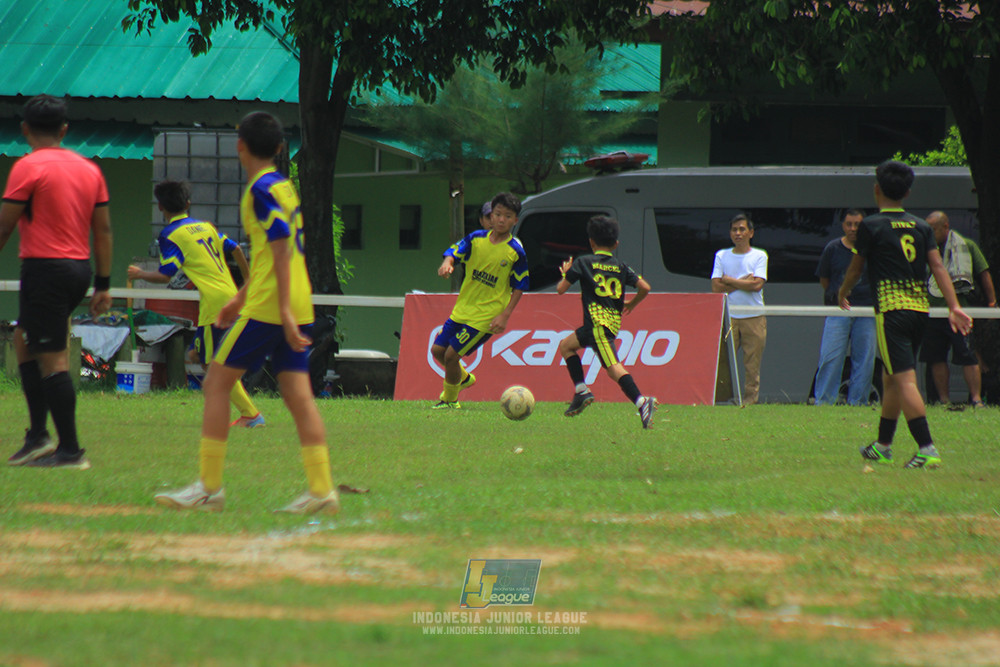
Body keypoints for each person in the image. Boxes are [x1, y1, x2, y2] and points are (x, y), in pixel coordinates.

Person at [155, 111, 338, 514]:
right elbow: (277, 253)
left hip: (272, 308)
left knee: (215, 384)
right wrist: (241, 298)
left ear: (240, 146)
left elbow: (279, 247)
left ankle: (209, 488)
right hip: (296, 303)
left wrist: (279, 310)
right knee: (298, 396)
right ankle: (322, 489)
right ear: (279, 148)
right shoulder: (284, 186)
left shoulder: (259, 189)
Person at [1, 94, 113, 470]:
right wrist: (103, 284)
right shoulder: (89, 170)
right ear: (64, 130)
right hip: (78, 270)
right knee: (24, 339)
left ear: (25, 129)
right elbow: (103, 230)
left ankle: (70, 450)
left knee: (54, 359)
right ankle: (37, 436)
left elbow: (5, 225)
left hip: (45, 270)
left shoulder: (28, 167)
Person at [838, 160, 972, 469]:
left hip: (891, 311)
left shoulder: (872, 226)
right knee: (891, 377)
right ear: (907, 193)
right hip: (919, 310)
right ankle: (883, 445)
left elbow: (856, 269)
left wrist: (842, 292)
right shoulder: (921, 226)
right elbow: (938, 267)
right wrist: (954, 306)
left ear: (876, 190)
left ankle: (927, 448)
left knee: (904, 380)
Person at [127, 180, 264, 427]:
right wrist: (248, 280)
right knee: (198, 354)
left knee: (212, 363)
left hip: (215, 303)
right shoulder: (206, 227)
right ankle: (240, 409)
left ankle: (251, 415)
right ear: (188, 204)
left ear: (161, 207)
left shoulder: (170, 235)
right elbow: (235, 249)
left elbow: (166, 275)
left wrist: (140, 274)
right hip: (229, 296)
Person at [431, 191, 529, 409]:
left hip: (486, 316)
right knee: (437, 351)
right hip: (463, 309)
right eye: (498, 214)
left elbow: (520, 285)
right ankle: (464, 378)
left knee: (451, 355)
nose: (501, 220)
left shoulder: (515, 251)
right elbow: (454, 251)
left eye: (507, 216)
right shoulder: (476, 239)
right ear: (490, 217)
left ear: (515, 220)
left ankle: (449, 400)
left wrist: (505, 315)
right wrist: (447, 263)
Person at [556, 215, 655, 428]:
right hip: (605, 324)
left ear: (591, 242)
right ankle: (581, 390)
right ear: (616, 244)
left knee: (613, 368)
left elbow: (560, 289)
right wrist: (632, 303)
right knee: (565, 346)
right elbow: (645, 287)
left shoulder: (583, 262)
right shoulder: (621, 266)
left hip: (598, 327)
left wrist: (566, 274)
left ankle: (641, 401)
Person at [919, 210, 995, 408]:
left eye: (933, 229)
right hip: (934, 312)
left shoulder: (966, 245)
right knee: (936, 357)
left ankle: (976, 399)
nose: (930, 233)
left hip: (961, 311)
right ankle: (944, 400)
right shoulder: (924, 248)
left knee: (968, 356)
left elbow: (983, 273)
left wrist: (992, 302)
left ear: (945, 227)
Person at [813, 209, 877, 405]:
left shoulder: (873, 249)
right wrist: (837, 295)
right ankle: (824, 402)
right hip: (838, 311)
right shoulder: (832, 248)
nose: (853, 228)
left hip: (866, 311)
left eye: (857, 224)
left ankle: (858, 402)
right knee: (830, 357)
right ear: (843, 226)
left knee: (865, 360)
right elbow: (824, 279)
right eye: (849, 224)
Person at [711, 213, 768, 405]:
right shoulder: (721, 255)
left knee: (752, 363)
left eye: (742, 229)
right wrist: (743, 281)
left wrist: (729, 280)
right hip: (728, 316)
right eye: (734, 230)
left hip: (754, 316)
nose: (738, 233)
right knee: (724, 362)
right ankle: (720, 399)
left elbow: (757, 285)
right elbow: (716, 288)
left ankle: (750, 400)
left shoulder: (759, 255)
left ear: (751, 232)